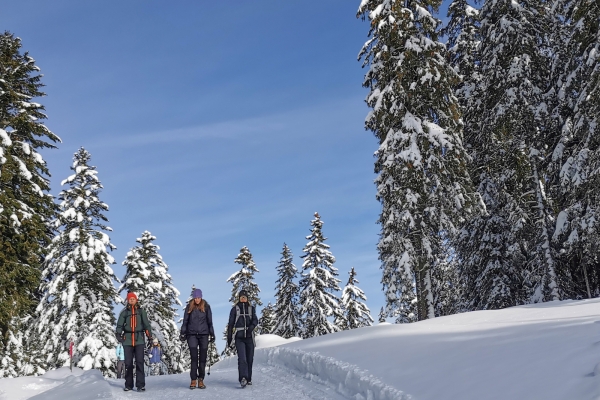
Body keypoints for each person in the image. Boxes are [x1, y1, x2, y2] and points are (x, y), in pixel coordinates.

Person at [115, 292, 153, 392]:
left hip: (139, 339)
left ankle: (140, 385)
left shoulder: (141, 312)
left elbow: (146, 325)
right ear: (128, 300)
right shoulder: (124, 312)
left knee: (139, 362)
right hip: (127, 340)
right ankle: (128, 385)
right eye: (130, 299)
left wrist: (150, 337)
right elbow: (119, 325)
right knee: (128, 364)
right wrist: (118, 334)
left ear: (136, 300)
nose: (132, 300)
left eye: (133, 299)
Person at [180, 288, 215, 390]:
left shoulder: (206, 307)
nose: (197, 300)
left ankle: (201, 379)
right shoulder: (189, 307)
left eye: (198, 297)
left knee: (202, 358)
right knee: (194, 358)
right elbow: (185, 321)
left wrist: (212, 334)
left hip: (204, 334)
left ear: (201, 297)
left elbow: (210, 322)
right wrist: (183, 333)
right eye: (195, 298)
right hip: (192, 335)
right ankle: (193, 379)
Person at [227, 290, 258, 388]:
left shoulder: (251, 308)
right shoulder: (235, 309)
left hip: (249, 337)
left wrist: (251, 327)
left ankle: (249, 379)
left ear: (247, 298)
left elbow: (255, 320)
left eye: (245, 297)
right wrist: (229, 337)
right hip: (239, 337)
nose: (243, 298)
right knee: (242, 358)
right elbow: (231, 324)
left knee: (249, 358)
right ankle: (243, 378)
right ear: (239, 298)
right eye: (241, 297)